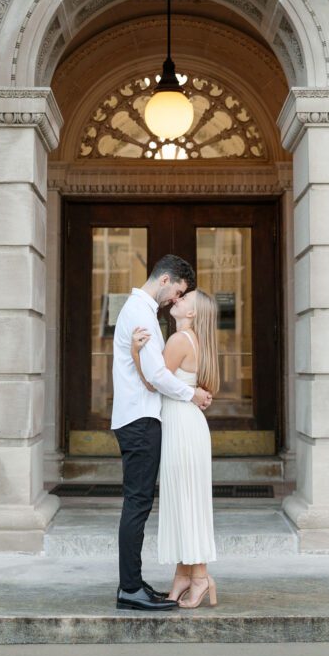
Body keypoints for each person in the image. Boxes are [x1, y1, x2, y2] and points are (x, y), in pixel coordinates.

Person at [112, 255, 212, 612]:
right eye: (179, 291)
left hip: (142, 418)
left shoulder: (143, 311)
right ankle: (129, 588)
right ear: (167, 279)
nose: (176, 299)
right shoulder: (140, 312)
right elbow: (155, 375)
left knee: (139, 503)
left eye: (182, 296)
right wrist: (192, 393)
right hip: (139, 420)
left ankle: (136, 584)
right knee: (137, 503)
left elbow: (152, 371)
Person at [132, 288, 219, 609]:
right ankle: (184, 575)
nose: (177, 300)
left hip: (181, 426)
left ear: (192, 313)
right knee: (187, 502)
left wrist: (135, 352)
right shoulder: (196, 340)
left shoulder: (179, 340)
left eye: (184, 300)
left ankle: (198, 578)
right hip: (188, 423)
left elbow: (154, 382)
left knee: (184, 502)